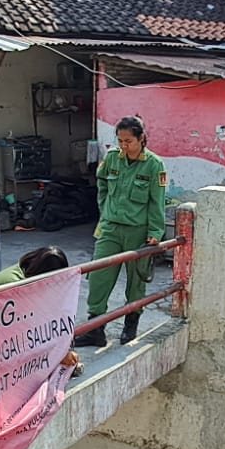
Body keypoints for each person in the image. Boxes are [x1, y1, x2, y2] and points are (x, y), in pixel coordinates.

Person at [75, 116, 166, 347]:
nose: (124, 146)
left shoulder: (154, 165)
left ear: (141, 139)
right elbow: (102, 183)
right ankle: (96, 329)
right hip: (111, 227)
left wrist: (156, 231)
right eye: (120, 140)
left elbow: (158, 201)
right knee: (98, 276)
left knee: (136, 281)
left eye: (128, 141)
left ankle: (130, 325)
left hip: (139, 231)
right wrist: (105, 209)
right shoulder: (113, 158)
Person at [0, 246, 81, 373]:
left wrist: (65, 349)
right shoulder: (17, 285)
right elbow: (31, 329)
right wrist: (59, 354)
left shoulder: (28, 271)